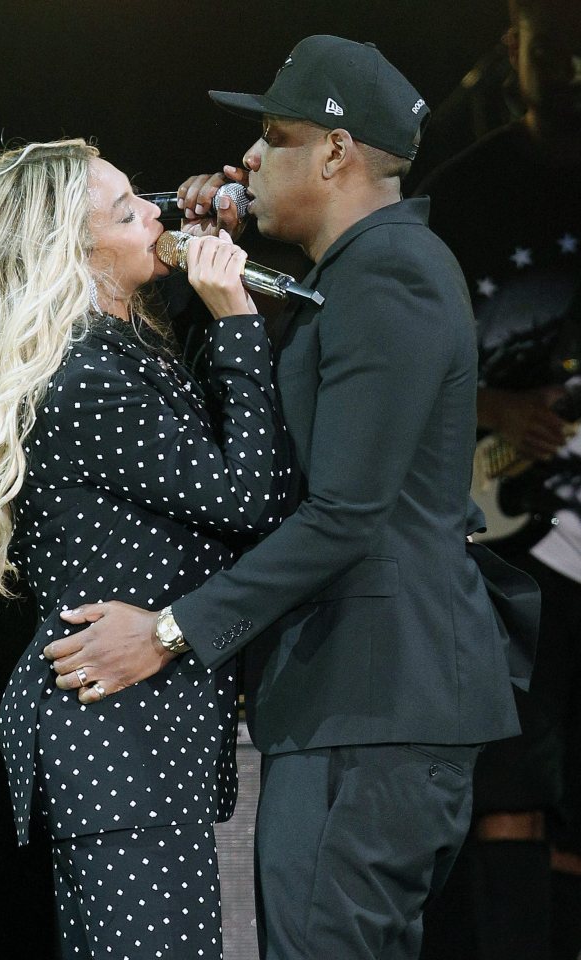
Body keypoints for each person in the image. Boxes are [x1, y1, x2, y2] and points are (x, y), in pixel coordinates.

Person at [42, 37, 537, 959]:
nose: (251, 161)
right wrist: (195, 263)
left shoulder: (387, 274)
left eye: (273, 137)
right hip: (363, 703)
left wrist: (165, 632)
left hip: (378, 701)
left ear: (338, 154)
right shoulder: (343, 280)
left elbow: (345, 513)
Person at [0, 137, 290, 958]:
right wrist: (238, 319)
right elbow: (255, 500)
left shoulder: (120, 349)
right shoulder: (84, 381)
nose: (156, 211)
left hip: (137, 734)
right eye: (126, 209)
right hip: (119, 739)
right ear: (73, 251)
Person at [415, 2, 581, 957]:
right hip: (500, 557)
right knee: (510, 796)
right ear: (514, 48)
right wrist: (494, 410)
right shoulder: (464, 194)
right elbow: (390, 352)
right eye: (551, 46)